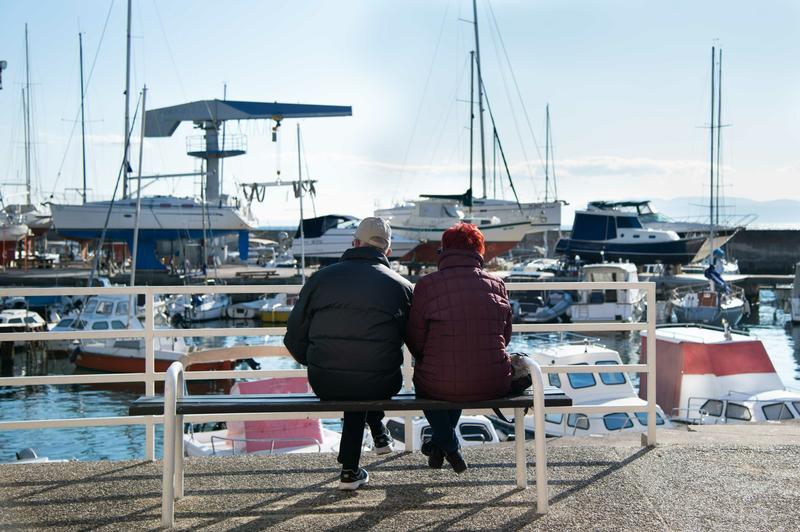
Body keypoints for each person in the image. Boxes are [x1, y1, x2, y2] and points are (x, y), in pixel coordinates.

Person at [284, 217, 413, 490]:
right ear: (388, 251)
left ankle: (355, 464)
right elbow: (415, 341)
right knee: (363, 372)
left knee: (350, 371)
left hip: (325, 379)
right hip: (382, 381)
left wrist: (317, 360)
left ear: (354, 243)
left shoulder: (320, 279)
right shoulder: (402, 286)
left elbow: (293, 337)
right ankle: (369, 443)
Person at [405, 223, 513, 474]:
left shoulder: (427, 285)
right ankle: (439, 446)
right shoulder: (497, 284)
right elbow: (505, 336)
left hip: (441, 383)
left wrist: (427, 359)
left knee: (437, 378)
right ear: (479, 250)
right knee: (458, 370)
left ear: (443, 251)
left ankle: (447, 445)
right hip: (493, 380)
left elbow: (415, 338)